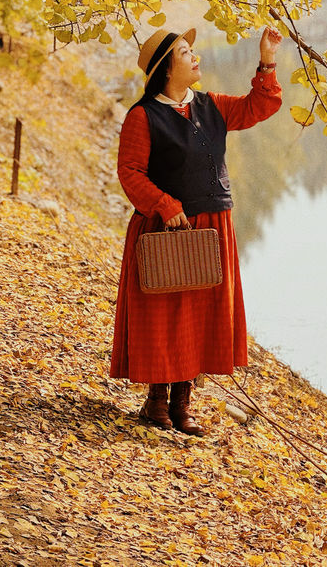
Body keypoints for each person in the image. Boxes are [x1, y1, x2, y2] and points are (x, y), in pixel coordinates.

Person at [110, 25, 283, 435]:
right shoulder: (143, 116)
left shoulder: (212, 106)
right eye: (186, 53)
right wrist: (164, 204)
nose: (196, 57)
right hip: (164, 229)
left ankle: (182, 403)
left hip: (212, 226)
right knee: (164, 311)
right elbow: (129, 172)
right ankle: (156, 403)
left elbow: (261, 106)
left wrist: (268, 59)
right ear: (167, 68)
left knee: (198, 316)